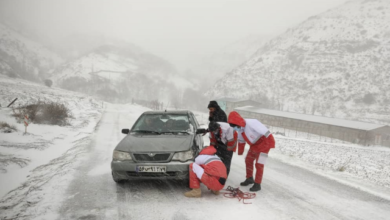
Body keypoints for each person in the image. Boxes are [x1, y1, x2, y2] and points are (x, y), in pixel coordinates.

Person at [227, 111, 275, 192]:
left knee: (259, 164)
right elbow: (241, 141)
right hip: (255, 145)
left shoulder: (252, 122)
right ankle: (249, 178)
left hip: (265, 143)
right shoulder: (240, 130)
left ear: (237, 122)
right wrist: (240, 152)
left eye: (234, 126)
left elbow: (266, 133)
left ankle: (257, 184)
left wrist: (270, 143)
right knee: (248, 160)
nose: (235, 128)